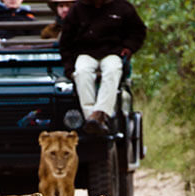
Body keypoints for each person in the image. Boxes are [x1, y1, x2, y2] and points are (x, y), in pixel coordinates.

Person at [59, 0, 146, 136]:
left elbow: (138, 31)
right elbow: (66, 42)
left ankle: (101, 115)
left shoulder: (123, 7)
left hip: (113, 52)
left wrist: (129, 47)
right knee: (81, 72)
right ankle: (91, 119)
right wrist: (69, 68)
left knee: (113, 70)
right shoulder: (77, 9)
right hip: (85, 53)